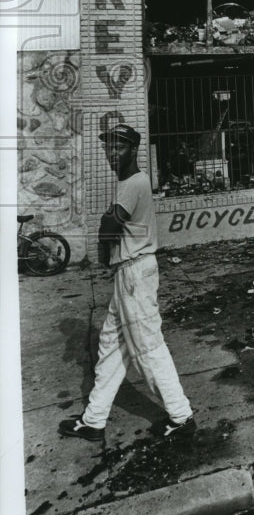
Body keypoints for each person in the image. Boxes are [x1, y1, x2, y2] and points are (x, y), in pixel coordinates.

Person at [58, 123, 195, 443]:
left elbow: (110, 223)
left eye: (118, 147)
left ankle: (181, 414)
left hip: (135, 274)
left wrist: (104, 246)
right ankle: (94, 419)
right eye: (107, 147)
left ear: (134, 150)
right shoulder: (129, 182)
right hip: (128, 275)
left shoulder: (135, 181)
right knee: (110, 346)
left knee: (148, 347)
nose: (111, 153)